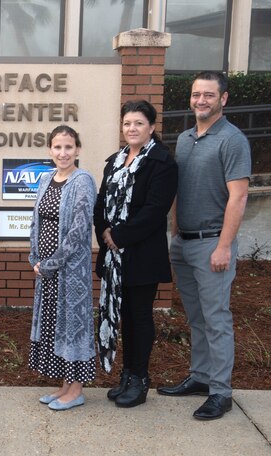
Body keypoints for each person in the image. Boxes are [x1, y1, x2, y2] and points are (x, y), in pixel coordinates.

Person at [157, 71, 251, 421]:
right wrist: (176, 231)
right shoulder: (184, 139)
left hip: (213, 243)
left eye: (209, 95)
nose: (201, 101)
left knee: (216, 319)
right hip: (184, 243)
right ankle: (199, 377)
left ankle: (221, 392)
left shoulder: (232, 140)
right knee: (196, 317)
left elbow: (238, 197)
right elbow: (180, 189)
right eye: (197, 94)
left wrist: (224, 246)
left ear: (223, 99)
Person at [94, 100, 178, 408]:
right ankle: (126, 375)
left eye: (139, 123)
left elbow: (155, 210)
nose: (132, 128)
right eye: (128, 123)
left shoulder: (161, 162)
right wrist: (105, 233)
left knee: (140, 316)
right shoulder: (115, 161)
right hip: (115, 256)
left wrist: (118, 235)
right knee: (123, 316)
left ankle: (140, 379)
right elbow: (101, 202)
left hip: (142, 254)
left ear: (152, 127)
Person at [29, 125, 97, 411]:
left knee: (74, 327)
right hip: (45, 270)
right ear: (50, 150)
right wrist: (35, 258)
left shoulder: (83, 180)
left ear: (78, 149)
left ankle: (77, 390)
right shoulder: (46, 179)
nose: (63, 152)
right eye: (57, 147)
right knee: (55, 326)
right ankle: (65, 385)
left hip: (70, 272)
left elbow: (80, 230)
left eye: (68, 147)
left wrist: (52, 263)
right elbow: (37, 221)